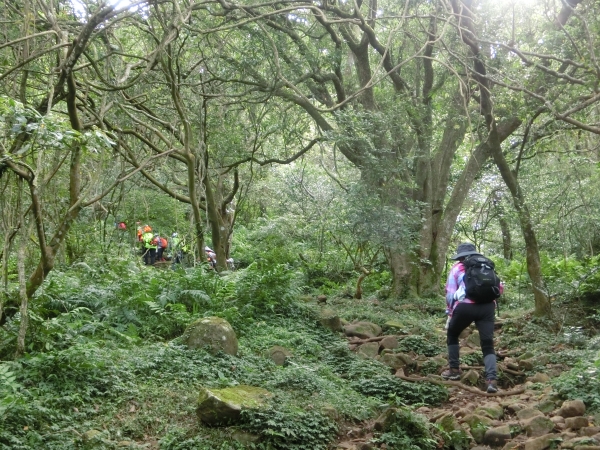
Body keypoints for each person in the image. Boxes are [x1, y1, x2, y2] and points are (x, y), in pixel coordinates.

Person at [442, 242, 502, 394]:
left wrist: (450, 312)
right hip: (487, 307)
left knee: (453, 334)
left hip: (465, 307)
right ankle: (491, 380)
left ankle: (454, 370)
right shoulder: (487, 265)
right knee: (487, 343)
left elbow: (450, 294)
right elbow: (499, 288)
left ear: (460, 257)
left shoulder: (457, 268)